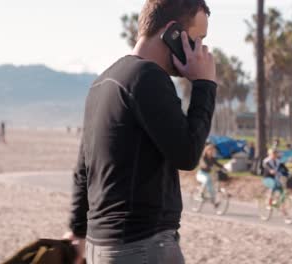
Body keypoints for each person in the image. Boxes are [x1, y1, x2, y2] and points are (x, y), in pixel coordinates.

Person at [63, 1, 217, 264]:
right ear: (172, 32)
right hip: (143, 245)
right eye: (197, 38)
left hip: (101, 246)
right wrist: (205, 84)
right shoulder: (147, 76)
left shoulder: (102, 82)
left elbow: (84, 168)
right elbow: (187, 154)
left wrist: (77, 230)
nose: (201, 49)